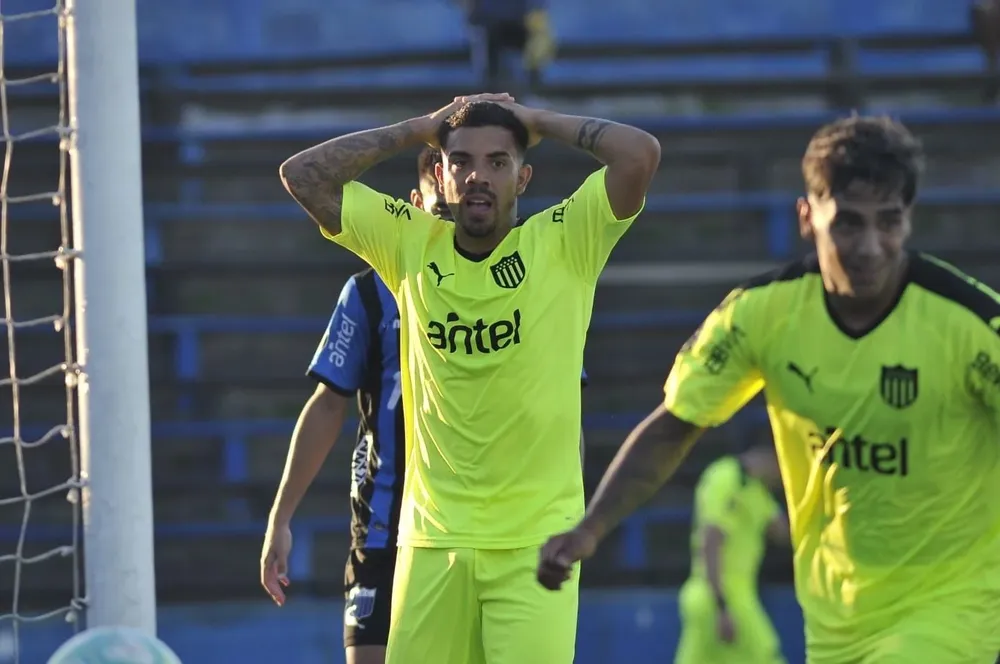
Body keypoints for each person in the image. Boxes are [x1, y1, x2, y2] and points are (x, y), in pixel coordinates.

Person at [538, 115, 1000, 664]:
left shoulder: (970, 324)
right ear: (808, 218)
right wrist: (592, 528)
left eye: (889, 222)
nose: (872, 246)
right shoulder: (762, 315)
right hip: (834, 620)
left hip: (954, 609)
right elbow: (675, 424)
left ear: (909, 220)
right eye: (848, 223)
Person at [278, 93, 660, 664]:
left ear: (523, 178)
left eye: (497, 162)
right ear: (441, 172)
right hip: (432, 542)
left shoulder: (565, 240)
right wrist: (419, 128)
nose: (478, 175)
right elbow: (303, 176)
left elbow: (639, 155)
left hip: (534, 544)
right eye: (461, 162)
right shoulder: (409, 242)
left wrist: (537, 121)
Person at [675, 443, 788, 664]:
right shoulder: (726, 475)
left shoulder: (758, 491)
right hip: (719, 595)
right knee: (767, 655)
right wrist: (721, 606)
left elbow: (784, 534)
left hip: (733, 595)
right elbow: (711, 538)